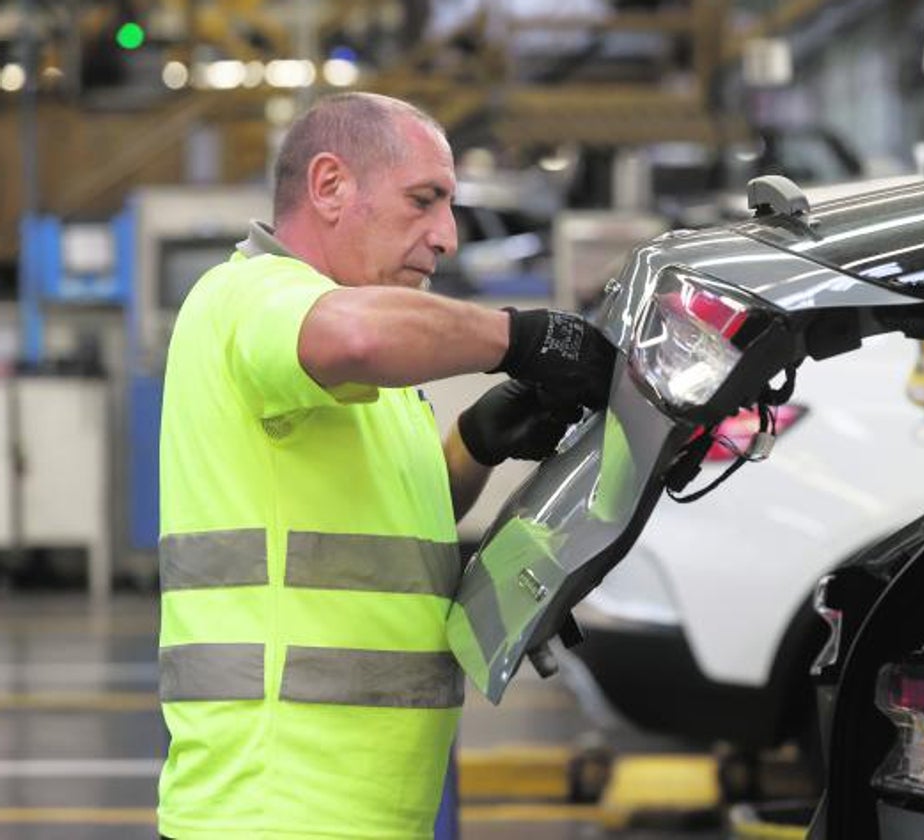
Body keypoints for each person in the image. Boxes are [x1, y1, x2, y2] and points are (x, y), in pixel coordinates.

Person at [156, 92, 614, 839]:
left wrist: (476, 442)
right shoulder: (249, 297)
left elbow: (398, 518)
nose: (448, 237)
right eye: (424, 200)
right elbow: (359, 337)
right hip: (274, 809)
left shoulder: (361, 367)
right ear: (330, 186)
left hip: (367, 811)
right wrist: (522, 337)